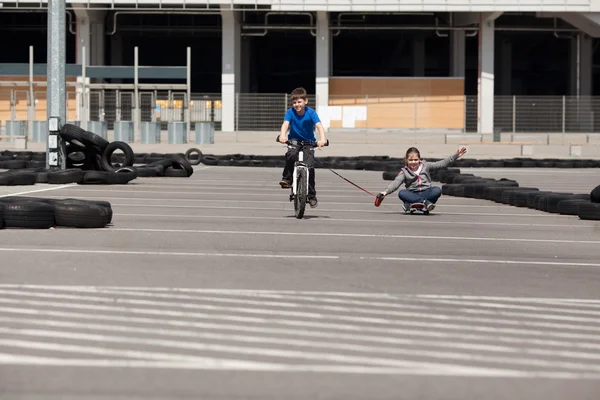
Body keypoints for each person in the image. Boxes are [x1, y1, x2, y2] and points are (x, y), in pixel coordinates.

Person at [278, 87, 327, 208]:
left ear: (306, 101)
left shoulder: (311, 113)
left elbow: (319, 126)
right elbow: (285, 124)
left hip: (309, 142)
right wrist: (283, 136)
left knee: (309, 167)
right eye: (294, 102)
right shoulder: (290, 112)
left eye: (299, 102)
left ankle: (311, 195)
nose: (296, 105)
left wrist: (322, 139)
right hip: (294, 140)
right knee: (291, 154)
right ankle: (287, 178)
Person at [379, 146, 467, 212]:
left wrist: (455, 156)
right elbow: (396, 183)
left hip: (427, 192)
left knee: (437, 190)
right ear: (406, 160)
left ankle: (411, 204)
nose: (413, 162)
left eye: (415, 159)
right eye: (411, 160)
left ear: (419, 159)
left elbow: (441, 164)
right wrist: (385, 192)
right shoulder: (404, 172)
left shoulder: (426, 165)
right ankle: (424, 203)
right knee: (402, 193)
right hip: (412, 193)